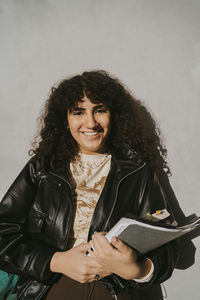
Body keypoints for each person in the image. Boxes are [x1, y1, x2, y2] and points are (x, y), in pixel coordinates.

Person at [0, 70, 179, 300]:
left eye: (100, 110)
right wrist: (56, 261)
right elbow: (3, 231)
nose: (91, 122)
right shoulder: (42, 168)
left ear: (114, 115)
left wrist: (137, 270)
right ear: (64, 119)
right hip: (49, 288)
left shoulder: (137, 171)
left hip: (116, 292)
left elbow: (168, 246)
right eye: (78, 112)